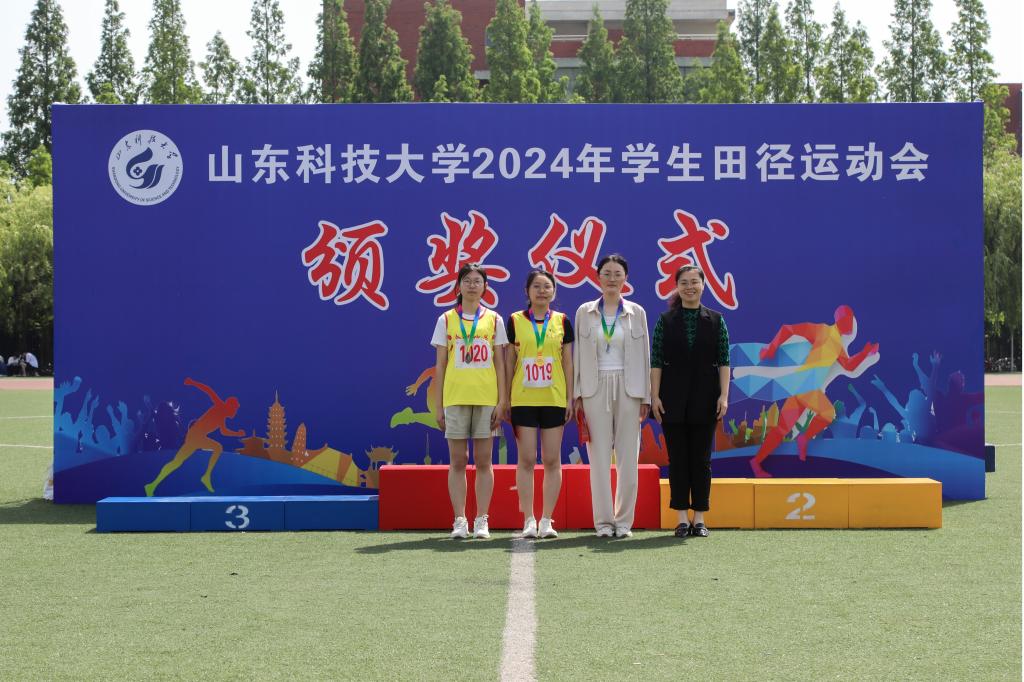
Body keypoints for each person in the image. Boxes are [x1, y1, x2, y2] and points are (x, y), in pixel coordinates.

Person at [573, 254, 651, 538]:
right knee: (599, 459)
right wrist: (578, 394)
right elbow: (578, 356)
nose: (612, 279)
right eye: (606, 273)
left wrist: (645, 397)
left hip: (629, 388)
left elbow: (645, 355)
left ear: (625, 278)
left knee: (628, 458)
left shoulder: (636, 312)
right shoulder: (585, 312)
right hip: (594, 388)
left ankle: (624, 522)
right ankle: (604, 523)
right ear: (598, 277)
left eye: (618, 274)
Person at [650, 265, 730, 538]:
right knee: (678, 460)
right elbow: (656, 361)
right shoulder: (665, 321)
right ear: (677, 286)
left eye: (694, 282)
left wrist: (724, 396)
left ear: (703, 285)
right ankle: (682, 519)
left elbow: (724, 360)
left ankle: (700, 518)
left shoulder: (717, 320)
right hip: (671, 399)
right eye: (684, 282)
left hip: (706, 399)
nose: (689, 287)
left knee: (702, 460)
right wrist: (654, 396)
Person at [432, 263, 509, 539]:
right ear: (459, 286)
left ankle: (482, 520)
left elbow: (500, 363)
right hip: (455, 398)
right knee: (458, 460)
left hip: (486, 398)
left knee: (484, 461)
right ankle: (460, 520)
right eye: (467, 280)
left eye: (478, 281)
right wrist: (439, 405)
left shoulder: (495, 319)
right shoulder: (446, 319)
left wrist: (502, 401)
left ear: (485, 287)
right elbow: (441, 365)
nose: (473, 285)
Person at [505, 270, 574, 539]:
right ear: (527, 291)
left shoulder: (562, 321)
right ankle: (529, 519)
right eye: (537, 286)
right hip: (523, 399)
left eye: (547, 287)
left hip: (553, 399)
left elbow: (568, 362)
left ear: (554, 291)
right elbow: (509, 362)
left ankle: (546, 519)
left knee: (552, 459)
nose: (542, 291)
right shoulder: (515, 320)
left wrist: (569, 397)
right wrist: (506, 398)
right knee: (526, 459)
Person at [144, 377, 245, 496]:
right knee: (217, 447)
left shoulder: (222, 417)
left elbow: (224, 431)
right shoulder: (219, 406)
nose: (235, 412)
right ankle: (206, 477)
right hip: (195, 436)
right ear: (230, 406)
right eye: (235, 408)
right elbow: (208, 390)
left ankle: (152, 485)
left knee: (176, 462)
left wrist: (237, 433)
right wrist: (192, 382)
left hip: (195, 437)